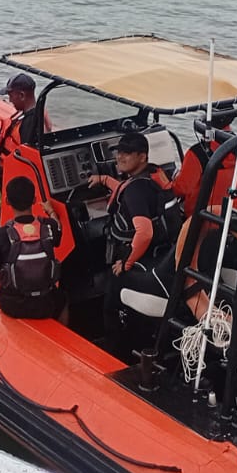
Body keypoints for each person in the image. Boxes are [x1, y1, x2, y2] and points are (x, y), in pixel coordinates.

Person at [86, 131, 183, 356]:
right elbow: (126, 187)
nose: (120, 157)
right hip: (159, 253)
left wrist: (126, 263)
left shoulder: (136, 192)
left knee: (110, 301)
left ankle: (111, 352)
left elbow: (144, 232)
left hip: (134, 255)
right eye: (119, 152)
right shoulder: (153, 175)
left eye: (127, 153)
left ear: (142, 156)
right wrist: (103, 180)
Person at [0, 176, 64, 319]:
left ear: (7, 201)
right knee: (63, 298)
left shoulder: (1, 234)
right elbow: (58, 227)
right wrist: (51, 212)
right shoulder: (49, 226)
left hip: (13, 305)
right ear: (34, 200)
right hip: (45, 303)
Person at [0, 73, 49, 153]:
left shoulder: (29, 123)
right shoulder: (40, 112)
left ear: (22, 95)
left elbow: (26, 154)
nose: (10, 100)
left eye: (11, 96)